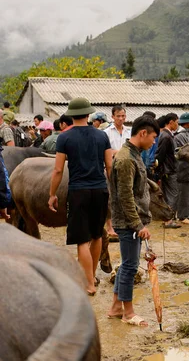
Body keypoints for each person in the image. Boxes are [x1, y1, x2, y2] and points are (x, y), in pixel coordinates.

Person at [48, 98, 112, 296]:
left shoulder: (64, 138)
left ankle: (89, 283)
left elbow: (58, 170)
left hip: (78, 191)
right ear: (88, 114)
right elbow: (109, 166)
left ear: (70, 115)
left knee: (82, 240)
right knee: (96, 235)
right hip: (100, 189)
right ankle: (91, 277)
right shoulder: (102, 136)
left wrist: (52, 194)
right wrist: (112, 191)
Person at [106, 115, 159, 327]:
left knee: (127, 264)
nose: (154, 141)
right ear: (143, 133)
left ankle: (115, 307)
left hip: (131, 220)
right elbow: (124, 196)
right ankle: (128, 312)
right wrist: (138, 225)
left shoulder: (133, 154)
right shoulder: (126, 158)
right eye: (153, 137)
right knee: (130, 266)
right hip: (128, 221)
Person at [156, 113, 180, 228]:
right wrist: (160, 170)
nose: (177, 125)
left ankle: (168, 218)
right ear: (171, 122)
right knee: (172, 194)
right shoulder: (165, 136)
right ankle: (169, 219)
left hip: (168, 169)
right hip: (169, 170)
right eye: (177, 122)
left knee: (168, 194)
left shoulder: (167, 135)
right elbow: (160, 155)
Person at [174, 112, 189, 225]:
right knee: (184, 194)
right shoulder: (179, 136)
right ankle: (182, 216)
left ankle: (188, 214)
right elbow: (185, 151)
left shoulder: (188, 134)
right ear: (187, 123)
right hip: (184, 169)